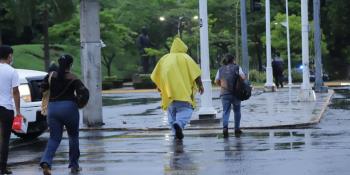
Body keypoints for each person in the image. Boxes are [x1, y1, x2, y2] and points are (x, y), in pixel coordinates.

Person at [40, 54, 88, 175]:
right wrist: (79, 103)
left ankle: (46, 162)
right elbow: (84, 93)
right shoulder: (73, 78)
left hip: (53, 109)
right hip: (69, 108)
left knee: (54, 138)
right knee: (73, 136)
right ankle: (74, 165)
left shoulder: (50, 75)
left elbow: (43, 88)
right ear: (70, 65)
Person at [151, 37, 204, 140]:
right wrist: (200, 85)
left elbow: (157, 75)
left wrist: (159, 86)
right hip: (183, 92)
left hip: (168, 93)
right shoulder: (186, 58)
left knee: (171, 113)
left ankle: (176, 133)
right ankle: (179, 124)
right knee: (186, 110)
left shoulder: (164, 59)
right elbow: (196, 74)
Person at [0, 45, 21, 175]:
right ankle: (3, 168)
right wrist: (18, 111)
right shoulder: (12, 71)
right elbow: (16, 92)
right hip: (6, 109)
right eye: (11, 55)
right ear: (9, 56)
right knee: (4, 140)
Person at [215, 54, 245, 138]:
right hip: (236, 93)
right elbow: (243, 77)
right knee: (237, 110)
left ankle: (225, 128)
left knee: (225, 111)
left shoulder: (220, 69)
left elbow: (216, 81)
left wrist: (222, 86)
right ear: (233, 60)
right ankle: (237, 128)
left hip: (224, 93)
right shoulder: (237, 67)